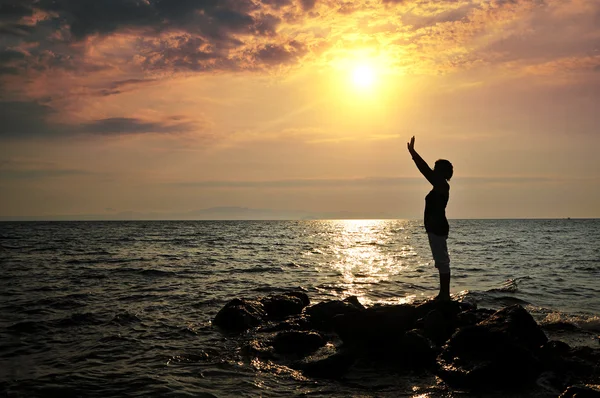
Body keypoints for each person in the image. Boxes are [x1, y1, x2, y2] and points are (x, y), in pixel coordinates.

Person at [407, 136, 453, 301]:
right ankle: (443, 294)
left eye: (436, 168)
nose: (433, 171)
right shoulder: (438, 186)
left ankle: (444, 295)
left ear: (442, 172)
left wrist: (413, 153)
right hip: (435, 228)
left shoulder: (442, 186)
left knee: (442, 261)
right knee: (440, 261)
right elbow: (427, 170)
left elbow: (424, 169)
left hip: (438, 227)